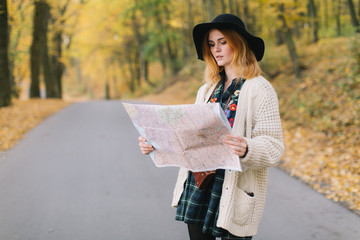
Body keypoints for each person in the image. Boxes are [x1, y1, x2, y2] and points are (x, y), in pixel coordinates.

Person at [138, 13, 284, 240]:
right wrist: (156, 144)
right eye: (212, 44)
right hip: (199, 183)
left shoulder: (260, 89)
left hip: (234, 189)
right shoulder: (206, 90)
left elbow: (273, 146)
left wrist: (246, 148)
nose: (216, 49)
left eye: (223, 42)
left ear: (239, 43)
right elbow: (189, 139)